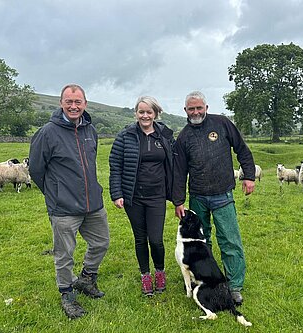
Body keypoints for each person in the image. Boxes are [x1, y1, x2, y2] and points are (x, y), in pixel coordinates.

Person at [29, 84, 110, 319]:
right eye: (69, 102)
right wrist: (54, 193)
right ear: (61, 103)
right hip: (63, 207)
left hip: (92, 203)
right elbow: (36, 169)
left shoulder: (90, 130)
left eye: (78, 102)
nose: (73, 106)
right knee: (65, 254)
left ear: (85, 103)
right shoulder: (47, 133)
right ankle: (67, 295)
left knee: (101, 242)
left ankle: (86, 279)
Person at [172, 91, 255, 305]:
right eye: (192, 109)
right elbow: (179, 172)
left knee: (230, 240)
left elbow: (242, 150)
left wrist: (249, 176)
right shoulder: (184, 137)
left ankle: (234, 286)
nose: (196, 112)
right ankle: (204, 279)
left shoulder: (222, 124)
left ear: (206, 107)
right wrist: (179, 201)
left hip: (223, 194)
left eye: (199, 108)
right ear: (185, 111)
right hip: (198, 196)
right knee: (200, 241)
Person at [109, 96, 174, 296]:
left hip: (157, 196)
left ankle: (160, 271)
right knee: (140, 238)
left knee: (155, 239)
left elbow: (176, 163)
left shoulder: (165, 135)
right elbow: (115, 166)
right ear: (136, 113)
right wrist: (117, 193)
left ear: (156, 113)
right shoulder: (125, 136)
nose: (145, 116)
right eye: (141, 112)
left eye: (149, 112)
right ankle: (145, 275)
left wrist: (176, 192)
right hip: (133, 197)